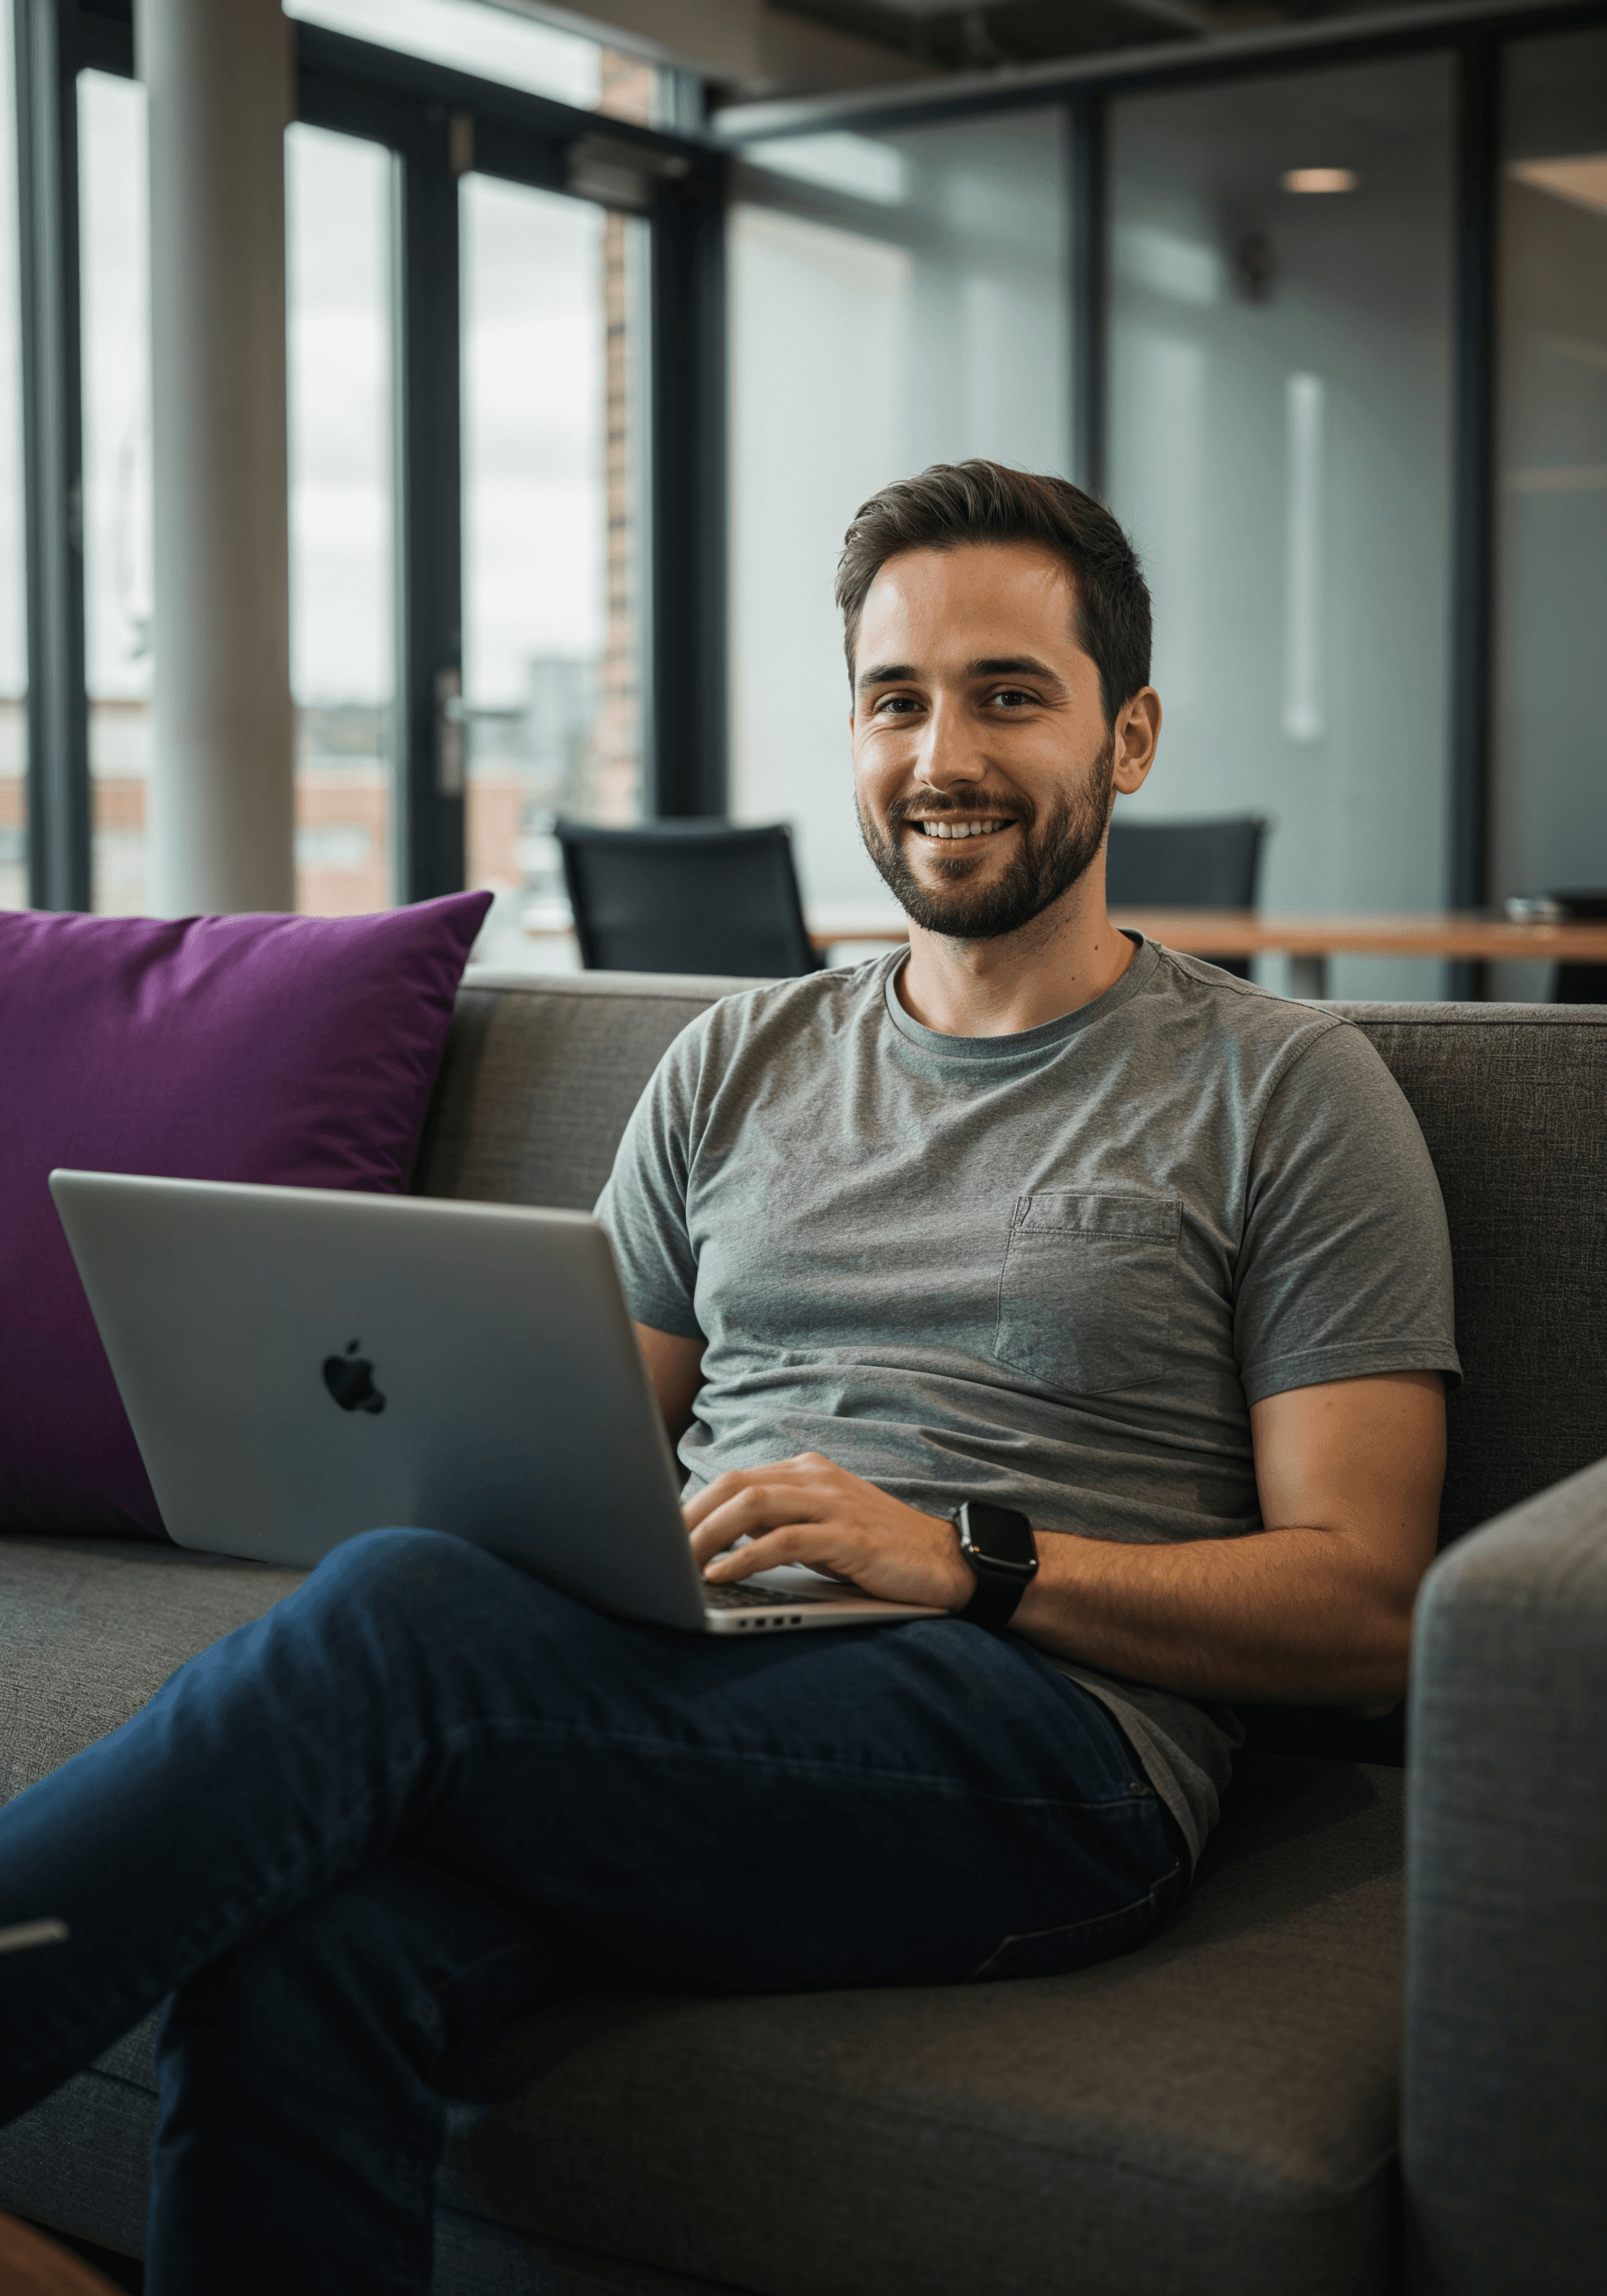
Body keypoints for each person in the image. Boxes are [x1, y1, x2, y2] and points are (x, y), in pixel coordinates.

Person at [0, 463, 1459, 2294]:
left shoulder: (1283, 1087)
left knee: (401, 1616)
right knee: (307, 1943)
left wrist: (963, 1557)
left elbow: (1370, 1607)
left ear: (1130, 735)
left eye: (1008, 694)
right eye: (894, 698)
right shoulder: (733, 1058)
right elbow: (568, 1436)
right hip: (708, 1672)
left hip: (1048, 1743)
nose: (943, 753)